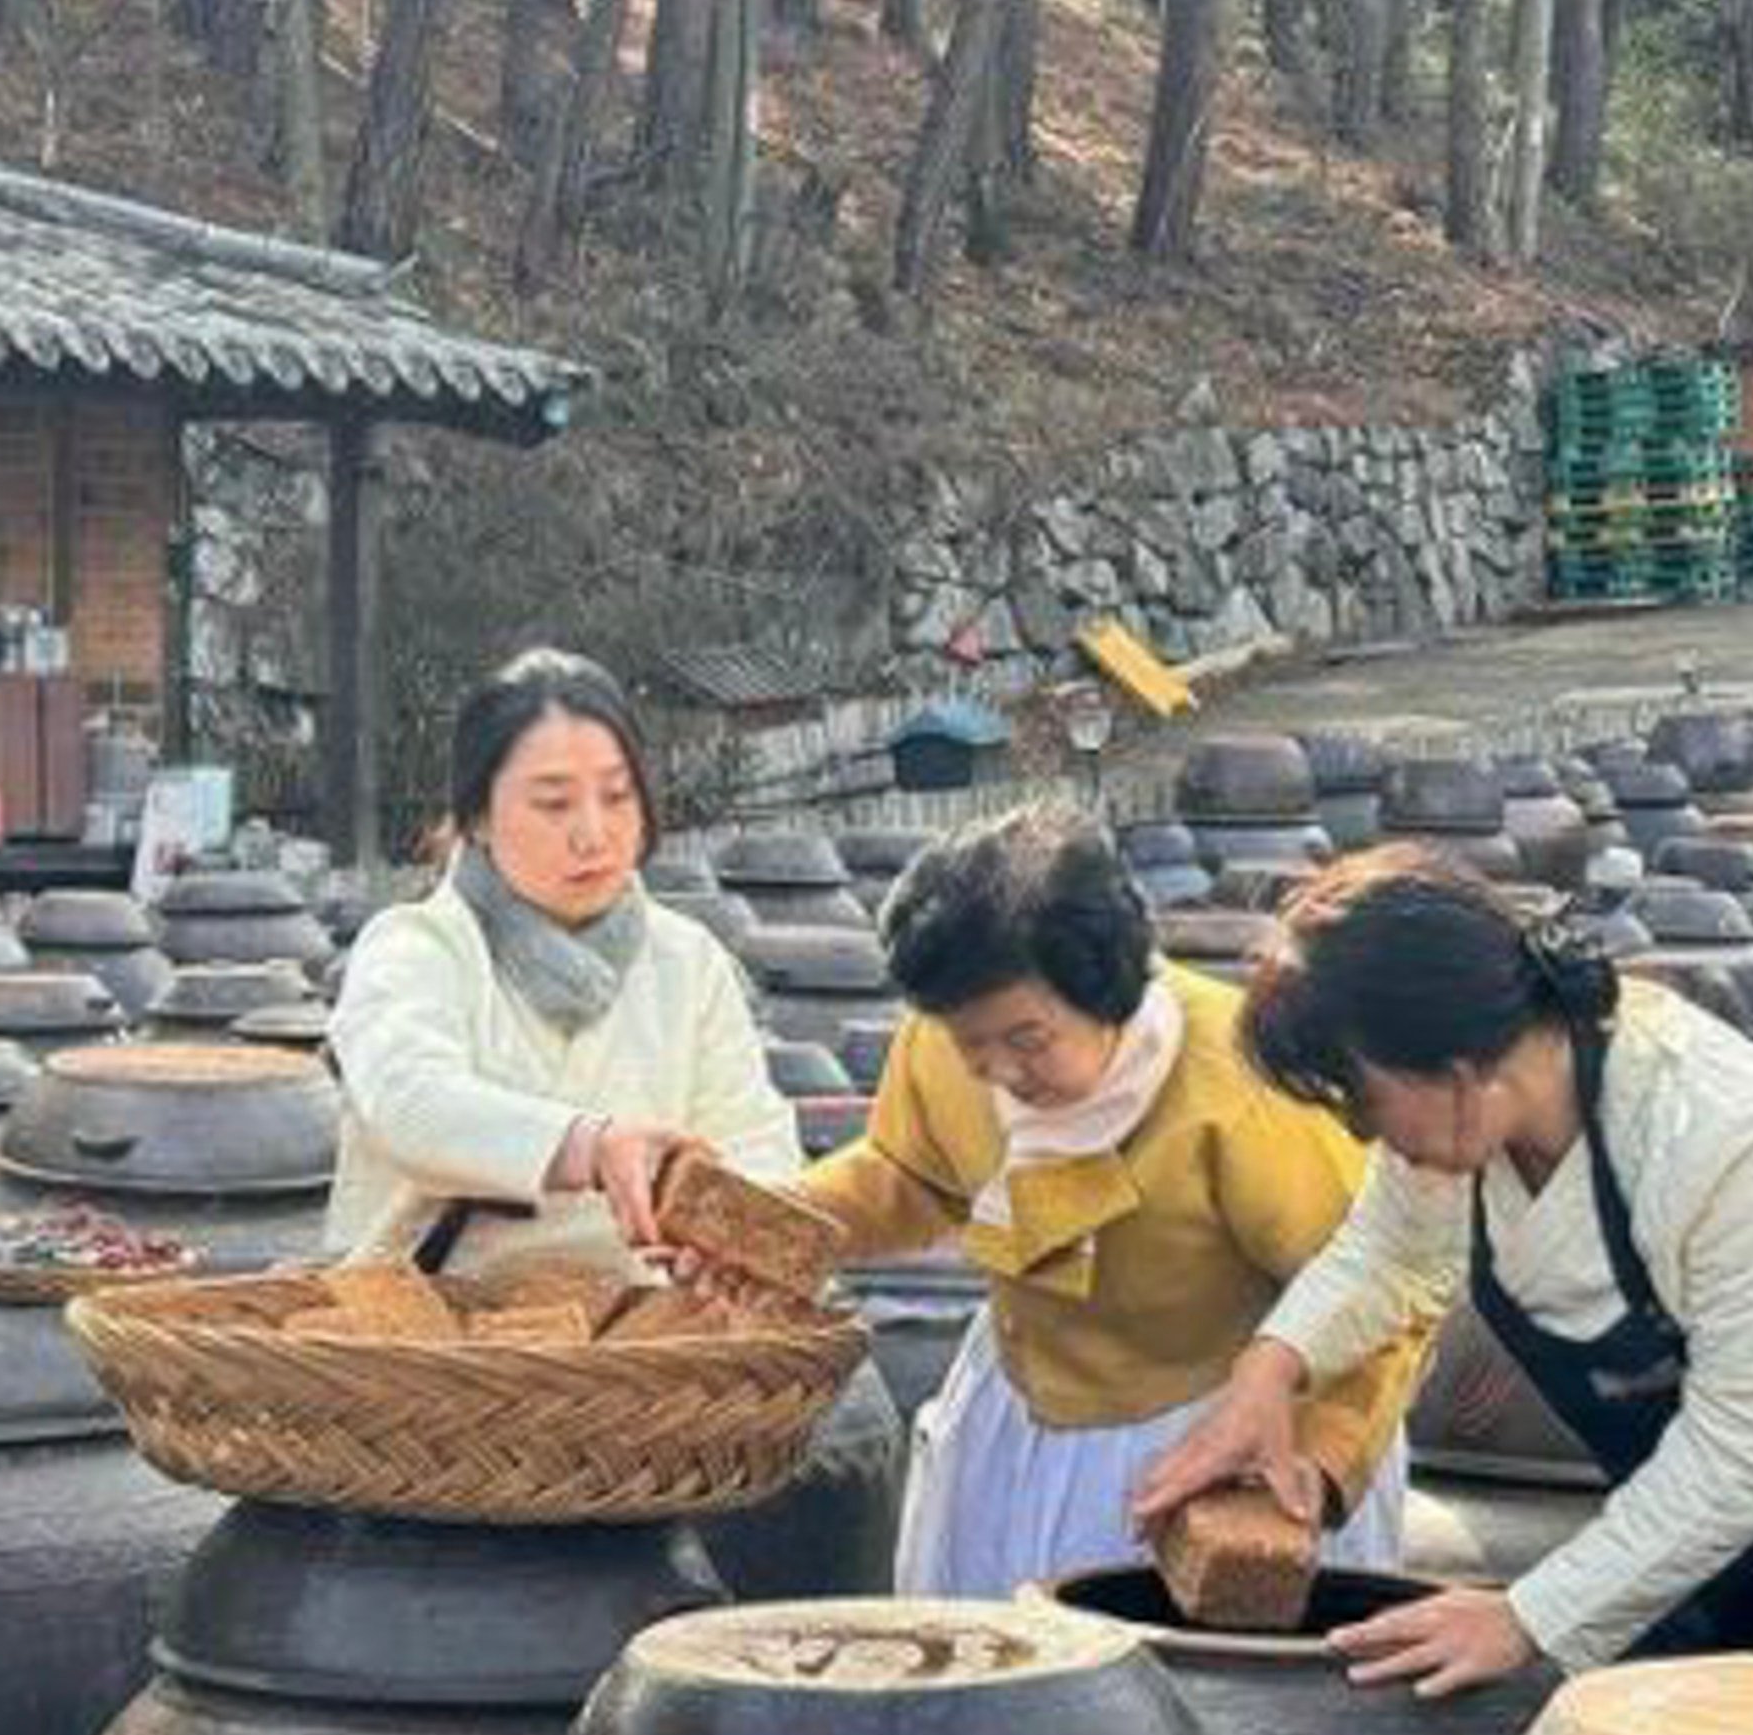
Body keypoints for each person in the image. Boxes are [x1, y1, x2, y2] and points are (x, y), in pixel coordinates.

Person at [1133, 849, 1753, 1695]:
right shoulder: (1468, 1121)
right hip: (1740, 1514)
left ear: (1455, 1070)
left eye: (1359, 1103)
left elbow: (1746, 1451)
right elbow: (1386, 1255)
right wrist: (1268, 1371)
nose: (1364, 1136)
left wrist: (1528, 1616)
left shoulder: (1728, 1138)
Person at [794, 805, 1427, 1600]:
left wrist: (1315, 1456)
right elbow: (913, 1175)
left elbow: (1378, 1293)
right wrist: (779, 1223)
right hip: (1014, 1416)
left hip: (1201, 1435)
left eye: (1028, 1039)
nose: (997, 1070)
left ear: (1106, 989)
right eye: (970, 1043)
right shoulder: (948, 1038)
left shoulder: (1241, 1084)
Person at [326, 650, 795, 1273]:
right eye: (554, 804)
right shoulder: (418, 948)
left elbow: (753, 1141)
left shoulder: (686, 961)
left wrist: (726, 1244)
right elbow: (410, 1103)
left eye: (617, 796)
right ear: (477, 818)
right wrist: (589, 1146)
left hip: (639, 1346)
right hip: (430, 1339)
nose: (593, 834)